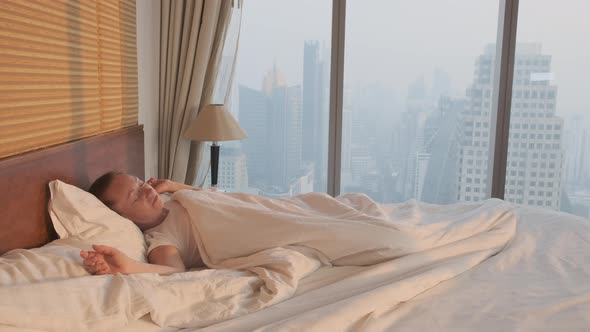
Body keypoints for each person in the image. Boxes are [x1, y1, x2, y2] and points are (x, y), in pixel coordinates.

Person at [80, 171, 211, 276]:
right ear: (125, 219)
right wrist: (128, 266)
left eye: (141, 184)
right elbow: (175, 270)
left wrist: (172, 185)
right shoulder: (161, 238)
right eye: (136, 197)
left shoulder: (169, 199)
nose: (148, 190)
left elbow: (211, 197)